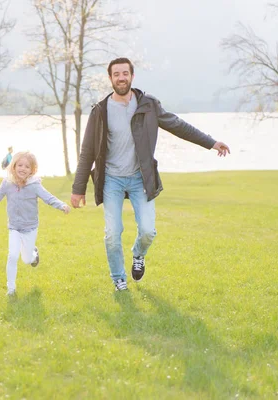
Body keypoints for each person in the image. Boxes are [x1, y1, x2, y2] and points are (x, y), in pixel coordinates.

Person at [71, 57, 230, 292]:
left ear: (132, 77)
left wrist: (211, 142)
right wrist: (78, 188)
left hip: (139, 178)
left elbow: (179, 126)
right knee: (113, 234)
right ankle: (119, 279)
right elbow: (87, 152)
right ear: (110, 79)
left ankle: (138, 255)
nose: (121, 77)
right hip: (111, 179)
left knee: (147, 231)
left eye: (125, 73)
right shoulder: (100, 112)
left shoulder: (148, 106)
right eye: (116, 74)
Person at [0, 151, 70, 296]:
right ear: (13, 166)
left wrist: (62, 205)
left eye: (27, 166)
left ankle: (33, 254)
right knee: (13, 256)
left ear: (32, 170)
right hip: (14, 228)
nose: (23, 168)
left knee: (27, 260)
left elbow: (48, 197)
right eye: (20, 165)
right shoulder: (7, 183)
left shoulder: (34, 185)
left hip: (30, 228)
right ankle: (11, 289)